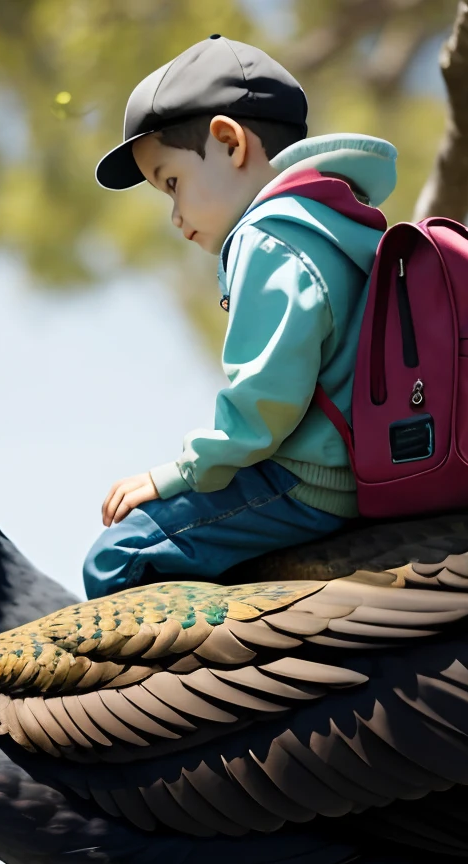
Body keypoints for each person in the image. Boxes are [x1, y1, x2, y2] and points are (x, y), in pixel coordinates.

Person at [83, 35, 395, 598]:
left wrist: (175, 474)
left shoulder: (269, 236)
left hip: (310, 483)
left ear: (229, 143)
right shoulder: (341, 220)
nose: (175, 216)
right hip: (369, 469)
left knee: (117, 556)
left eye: (172, 183)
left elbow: (262, 408)